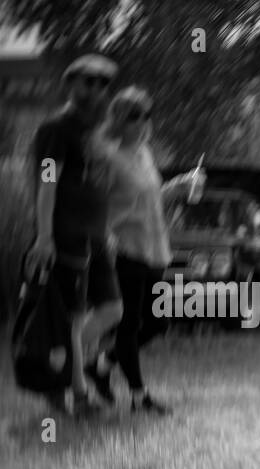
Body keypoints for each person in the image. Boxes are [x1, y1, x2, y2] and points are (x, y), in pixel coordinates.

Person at [28, 53, 122, 415]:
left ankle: (54, 367)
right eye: (88, 82)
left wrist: (108, 228)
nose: (96, 90)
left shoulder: (94, 133)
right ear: (71, 85)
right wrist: (44, 236)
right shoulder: (55, 130)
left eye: (102, 84)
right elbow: (47, 182)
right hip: (66, 236)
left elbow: (98, 187)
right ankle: (79, 396)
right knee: (77, 317)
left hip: (97, 237)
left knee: (113, 309)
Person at [84, 86, 187, 414]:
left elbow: (151, 197)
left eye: (147, 116)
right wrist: (103, 238)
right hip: (125, 251)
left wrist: (179, 186)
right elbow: (95, 206)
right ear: (119, 121)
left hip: (155, 249)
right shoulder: (109, 158)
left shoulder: (144, 153)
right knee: (128, 326)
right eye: (135, 118)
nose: (144, 124)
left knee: (159, 323)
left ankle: (101, 366)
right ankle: (139, 396)